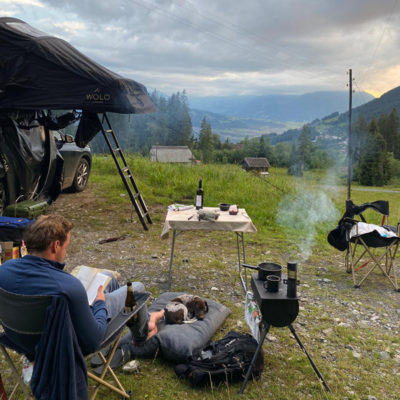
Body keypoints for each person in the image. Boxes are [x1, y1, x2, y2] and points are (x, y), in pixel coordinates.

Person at [0, 214, 164, 361]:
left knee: (107, 278)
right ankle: (142, 335)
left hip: (21, 339)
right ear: (55, 246)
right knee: (135, 288)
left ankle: (146, 320)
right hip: (67, 346)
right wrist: (99, 303)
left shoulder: (4, 270)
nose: (65, 253)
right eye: (66, 247)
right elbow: (93, 340)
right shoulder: (68, 287)